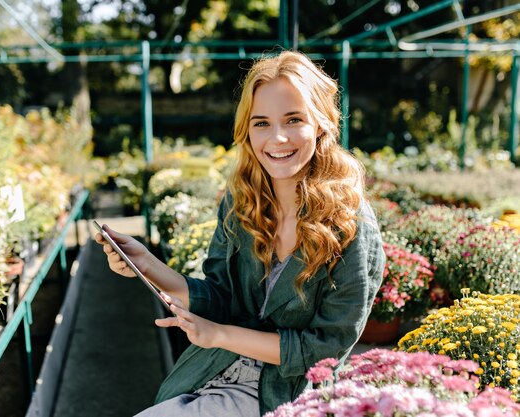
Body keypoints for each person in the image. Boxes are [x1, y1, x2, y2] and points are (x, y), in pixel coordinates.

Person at [95, 50, 385, 417]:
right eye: (261, 123)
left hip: (285, 392)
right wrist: (149, 265)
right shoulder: (242, 201)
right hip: (212, 370)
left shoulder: (351, 225)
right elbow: (221, 298)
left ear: (322, 123)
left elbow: (325, 350)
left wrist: (219, 335)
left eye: (293, 119)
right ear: (246, 130)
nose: (277, 138)